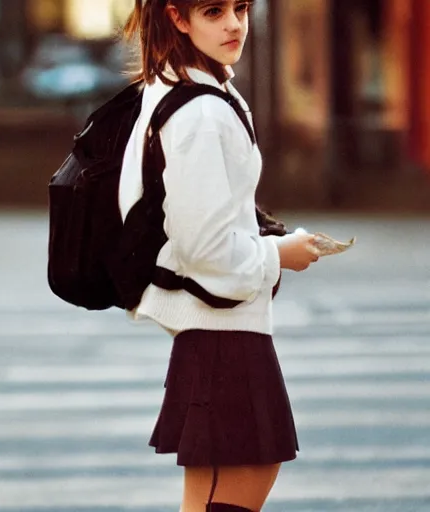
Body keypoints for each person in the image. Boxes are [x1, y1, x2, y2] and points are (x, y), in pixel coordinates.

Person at [119, 1, 319, 510]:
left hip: (221, 327)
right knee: (240, 479)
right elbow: (205, 249)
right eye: (213, 10)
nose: (234, 23)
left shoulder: (194, 91)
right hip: (222, 329)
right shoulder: (201, 111)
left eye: (241, 7)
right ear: (178, 18)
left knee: (217, 489)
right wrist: (279, 254)